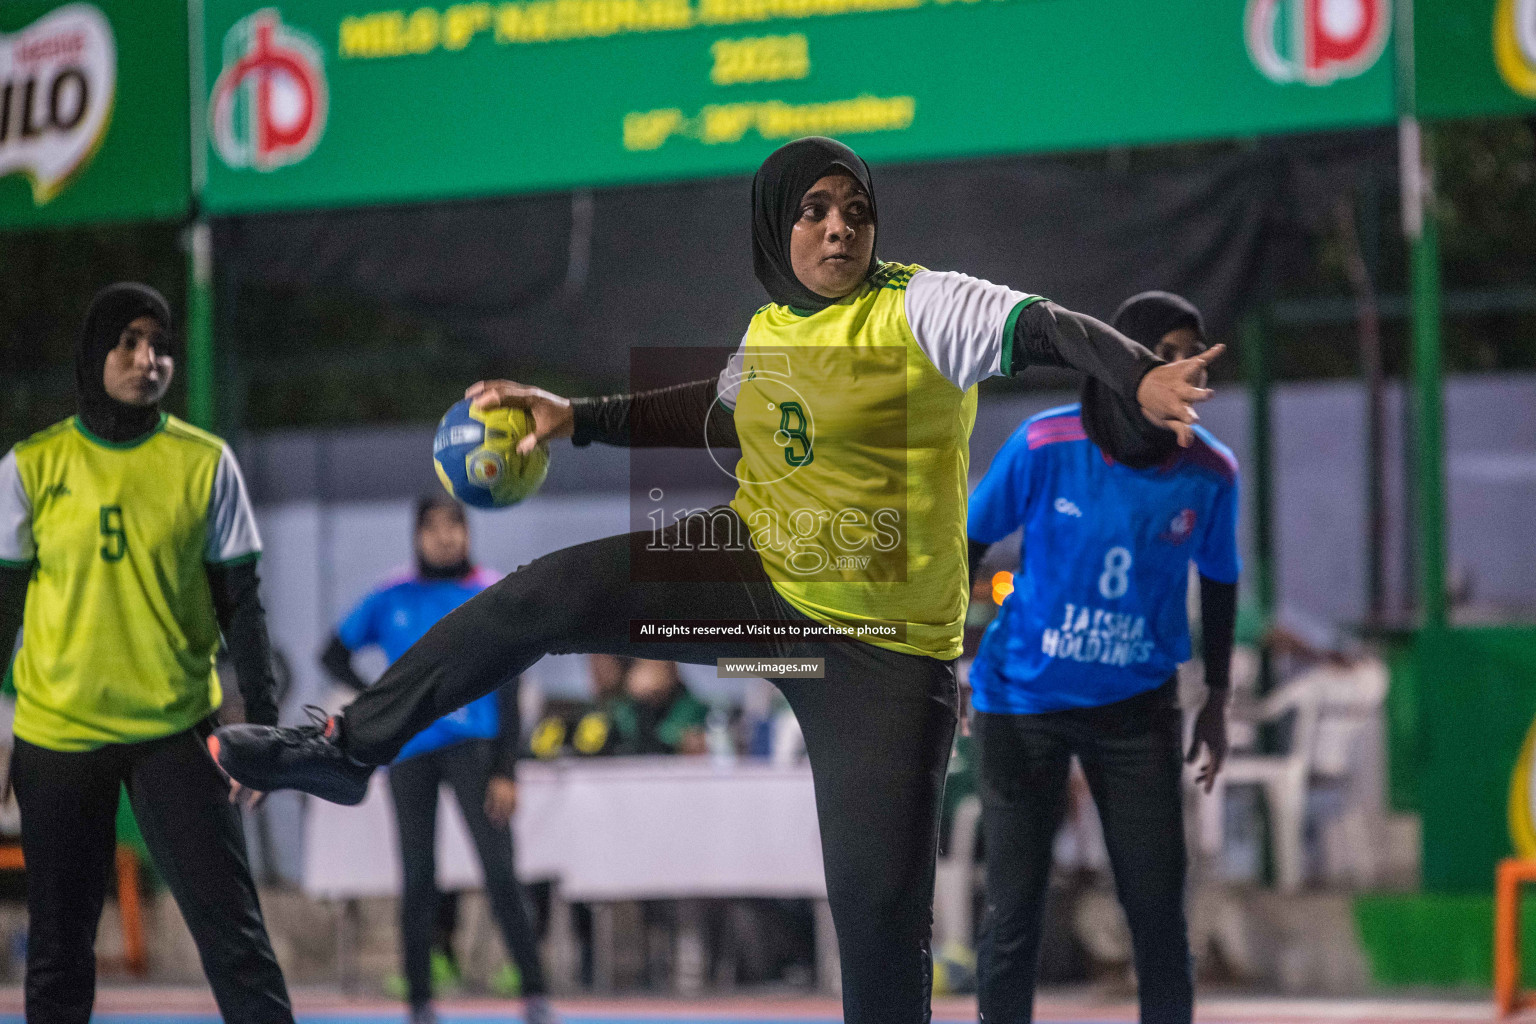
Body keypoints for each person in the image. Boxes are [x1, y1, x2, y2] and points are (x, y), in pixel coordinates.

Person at [215, 137, 1222, 1024]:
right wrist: (578, 415)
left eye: (856, 210)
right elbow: (715, 410)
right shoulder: (771, 330)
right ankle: (348, 747)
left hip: (879, 652)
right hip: (752, 576)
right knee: (537, 598)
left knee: (877, 928)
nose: (840, 229)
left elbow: (1046, 325)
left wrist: (1134, 371)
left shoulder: (922, 306)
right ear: (774, 228)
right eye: (815, 211)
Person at [0, 284, 293, 1023]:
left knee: (237, 942)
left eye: (160, 343)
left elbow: (242, 604)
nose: (148, 358)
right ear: (95, 352)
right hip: (56, 736)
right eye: (128, 342)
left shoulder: (206, 462)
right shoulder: (29, 466)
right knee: (61, 953)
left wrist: (263, 719)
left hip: (175, 734)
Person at [965, 292, 1240, 1024]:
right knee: (1013, 915)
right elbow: (968, 542)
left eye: (1196, 354)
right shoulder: (1045, 444)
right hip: (1024, 704)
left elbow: (1219, 579)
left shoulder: (1210, 472)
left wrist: (1217, 699)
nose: (1184, 369)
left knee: (1156, 919)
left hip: (1136, 712)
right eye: (1167, 351)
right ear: (1128, 361)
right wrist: (946, 661)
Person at [320, 494, 556, 1024]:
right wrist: (380, 704)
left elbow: (511, 688)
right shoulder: (391, 594)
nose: (446, 536)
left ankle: (536, 995)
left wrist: (506, 768)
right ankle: (420, 1003)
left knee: (500, 872)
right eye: (434, 526)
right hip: (411, 751)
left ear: (468, 532)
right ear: (417, 534)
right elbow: (332, 653)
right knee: (418, 877)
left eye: (456, 524)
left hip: (477, 750)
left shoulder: (489, 591)